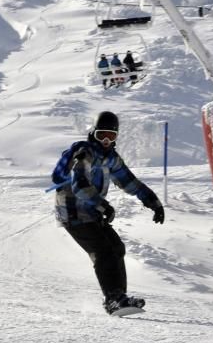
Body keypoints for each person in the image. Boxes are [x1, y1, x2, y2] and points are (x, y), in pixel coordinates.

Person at [50, 111, 165, 315]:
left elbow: (129, 181)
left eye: (111, 136)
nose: (105, 140)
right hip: (72, 212)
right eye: (101, 134)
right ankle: (113, 299)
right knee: (103, 251)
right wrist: (103, 205)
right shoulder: (85, 153)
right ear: (93, 133)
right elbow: (79, 184)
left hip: (91, 211)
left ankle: (119, 297)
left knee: (116, 248)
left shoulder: (110, 157)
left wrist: (152, 201)